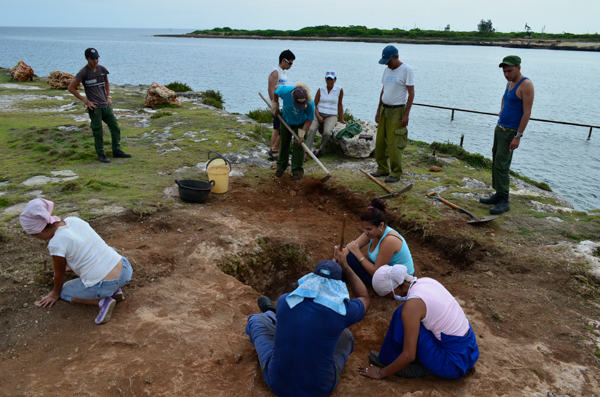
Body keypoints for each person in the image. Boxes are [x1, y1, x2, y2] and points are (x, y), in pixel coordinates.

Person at [245, 257, 370, 397]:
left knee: (256, 319)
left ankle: (271, 313)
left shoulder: (285, 300)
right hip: (319, 389)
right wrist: (346, 266)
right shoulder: (343, 312)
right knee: (346, 336)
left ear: (312, 277)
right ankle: (275, 316)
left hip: (278, 382)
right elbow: (364, 298)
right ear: (337, 284)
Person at [19, 199, 133, 325]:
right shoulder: (73, 220)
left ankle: (103, 302)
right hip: (125, 270)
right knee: (105, 249)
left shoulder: (56, 244)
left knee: (64, 291)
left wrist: (55, 293)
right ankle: (116, 290)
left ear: (40, 231)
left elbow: (59, 274)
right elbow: (86, 248)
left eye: (35, 235)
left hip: (103, 285)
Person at [357, 264, 479, 380]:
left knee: (403, 314)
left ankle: (394, 361)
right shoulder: (426, 281)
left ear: (394, 291)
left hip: (451, 364)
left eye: (388, 296)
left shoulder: (412, 306)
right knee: (406, 314)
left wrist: (380, 373)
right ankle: (393, 356)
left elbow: (408, 355)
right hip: (469, 351)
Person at [479, 55, 534, 215]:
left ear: (519, 67)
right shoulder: (510, 83)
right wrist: (502, 110)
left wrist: (518, 136)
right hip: (500, 128)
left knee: (502, 165)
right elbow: (505, 98)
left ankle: (504, 200)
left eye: (510, 70)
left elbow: (527, 112)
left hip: (511, 131)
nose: (507, 74)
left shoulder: (526, 84)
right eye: (505, 71)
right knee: (496, 160)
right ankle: (498, 193)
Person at [68, 48, 132, 163]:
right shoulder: (83, 72)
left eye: (97, 58)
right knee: (98, 132)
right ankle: (101, 154)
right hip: (95, 108)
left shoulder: (102, 69)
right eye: (92, 58)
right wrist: (86, 101)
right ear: (87, 58)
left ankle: (117, 151)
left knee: (115, 127)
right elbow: (71, 88)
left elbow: (106, 81)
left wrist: (109, 96)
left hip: (106, 106)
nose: (95, 60)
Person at [342, 198, 414, 288]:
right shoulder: (374, 232)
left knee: (352, 258)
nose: (365, 232)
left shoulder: (389, 240)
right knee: (348, 258)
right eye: (363, 228)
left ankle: (338, 280)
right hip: (385, 273)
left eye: (368, 229)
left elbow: (375, 271)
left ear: (381, 225)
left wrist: (357, 253)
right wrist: (340, 255)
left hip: (400, 282)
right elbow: (353, 245)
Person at [372, 45, 415, 184]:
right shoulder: (387, 70)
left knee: (394, 143)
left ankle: (396, 172)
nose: (387, 64)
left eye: (389, 61)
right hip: (385, 109)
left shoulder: (406, 70)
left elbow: (411, 93)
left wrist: (406, 114)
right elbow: (383, 90)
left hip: (397, 111)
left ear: (396, 57)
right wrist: (378, 110)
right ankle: (382, 168)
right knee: (380, 141)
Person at [271, 83, 315, 181]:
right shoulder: (286, 91)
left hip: (301, 123)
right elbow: (275, 89)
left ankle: (297, 170)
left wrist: (302, 134)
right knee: (284, 142)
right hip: (286, 119)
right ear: (293, 98)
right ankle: (281, 167)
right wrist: (275, 106)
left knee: (299, 144)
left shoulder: (310, 103)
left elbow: (310, 119)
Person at [305, 70, 346, 161]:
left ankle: (320, 150)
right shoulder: (321, 89)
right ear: (325, 79)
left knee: (327, 132)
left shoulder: (339, 89)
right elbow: (314, 104)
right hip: (319, 113)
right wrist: (318, 116)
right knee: (312, 129)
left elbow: (340, 105)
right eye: (328, 79)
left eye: (331, 79)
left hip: (331, 115)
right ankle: (306, 153)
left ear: (335, 80)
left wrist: (342, 119)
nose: (330, 81)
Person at [267, 49, 295, 161]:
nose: (291, 65)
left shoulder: (282, 71)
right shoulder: (275, 72)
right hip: (278, 105)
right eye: (290, 63)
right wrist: (275, 105)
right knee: (281, 128)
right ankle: (274, 150)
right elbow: (270, 89)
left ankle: (273, 150)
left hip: (283, 104)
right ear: (284, 60)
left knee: (277, 128)